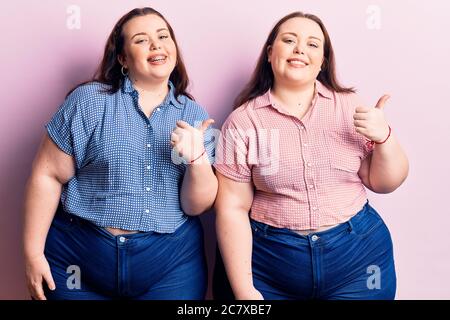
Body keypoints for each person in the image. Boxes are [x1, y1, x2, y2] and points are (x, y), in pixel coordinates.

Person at [23, 7, 217, 300]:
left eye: (163, 36)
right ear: (123, 59)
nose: (156, 44)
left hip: (170, 265)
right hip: (78, 260)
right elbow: (48, 175)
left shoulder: (195, 114)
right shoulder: (88, 102)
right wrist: (33, 254)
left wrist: (197, 159)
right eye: (141, 40)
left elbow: (196, 207)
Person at [214, 11, 408, 300]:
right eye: (289, 40)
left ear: (323, 61)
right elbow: (232, 208)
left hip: (358, 259)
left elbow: (384, 182)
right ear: (270, 53)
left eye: (313, 44)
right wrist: (245, 291)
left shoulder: (349, 105)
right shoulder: (243, 122)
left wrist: (384, 138)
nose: (300, 49)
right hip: (271, 266)